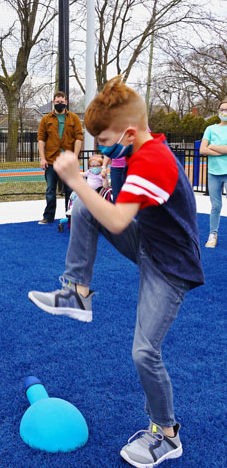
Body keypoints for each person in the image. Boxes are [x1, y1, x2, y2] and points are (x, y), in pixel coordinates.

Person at [28, 76, 204, 467]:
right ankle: (77, 292)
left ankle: (166, 434)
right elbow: (108, 204)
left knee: (144, 352)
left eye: (104, 141)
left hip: (170, 267)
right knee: (88, 206)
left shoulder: (154, 160)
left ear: (127, 132)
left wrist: (74, 179)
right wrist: (97, 176)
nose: (101, 150)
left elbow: (119, 219)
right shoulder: (133, 149)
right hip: (148, 244)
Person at [37, 91, 84, 224]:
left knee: (70, 190)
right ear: (53, 102)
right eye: (57, 102)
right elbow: (41, 139)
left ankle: (71, 217)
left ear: (66, 102)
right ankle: (48, 216)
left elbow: (78, 138)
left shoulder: (74, 118)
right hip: (51, 160)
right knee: (50, 190)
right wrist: (42, 158)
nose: (59, 104)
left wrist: (74, 157)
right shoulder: (46, 119)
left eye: (62, 102)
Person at [200, 98, 227, 248]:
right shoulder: (210, 128)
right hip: (213, 173)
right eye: (222, 110)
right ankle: (212, 235)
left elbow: (209, 148)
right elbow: (202, 149)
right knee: (215, 206)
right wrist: (222, 150)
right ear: (218, 112)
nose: (224, 112)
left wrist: (214, 146)